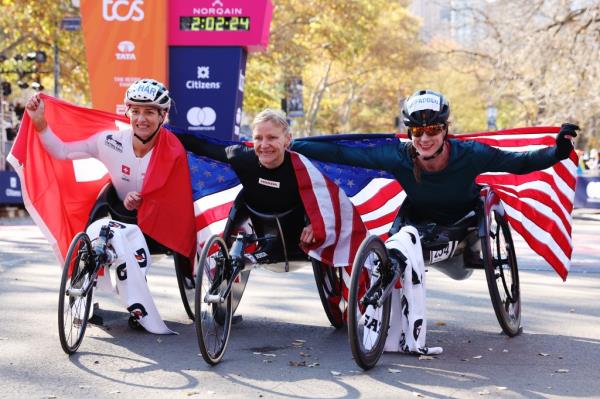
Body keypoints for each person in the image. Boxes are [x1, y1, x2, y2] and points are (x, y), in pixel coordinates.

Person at [290, 89, 578, 354]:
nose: (425, 138)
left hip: (462, 222)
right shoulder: (398, 156)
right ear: (410, 132)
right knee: (390, 253)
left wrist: (557, 152)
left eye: (433, 130)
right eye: (417, 130)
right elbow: (343, 154)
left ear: (445, 130)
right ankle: (386, 320)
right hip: (418, 219)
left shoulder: (471, 154)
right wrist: (294, 145)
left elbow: (519, 162)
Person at [24, 79, 195, 334]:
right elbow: (60, 151)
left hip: (155, 223)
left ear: (163, 115)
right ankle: (86, 288)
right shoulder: (109, 141)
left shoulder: (174, 150)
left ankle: (137, 304)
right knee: (94, 228)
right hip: (118, 211)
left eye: (149, 112)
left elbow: (176, 198)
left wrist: (148, 201)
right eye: (135, 111)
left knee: (140, 246)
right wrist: (40, 123)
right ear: (128, 112)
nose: (141, 118)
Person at [177, 109, 316, 253]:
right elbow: (202, 146)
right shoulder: (242, 156)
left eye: (272, 137)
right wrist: (160, 131)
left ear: (288, 139)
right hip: (257, 226)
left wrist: (316, 224)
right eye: (258, 138)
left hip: (299, 230)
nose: (264, 144)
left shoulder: (304, 165)